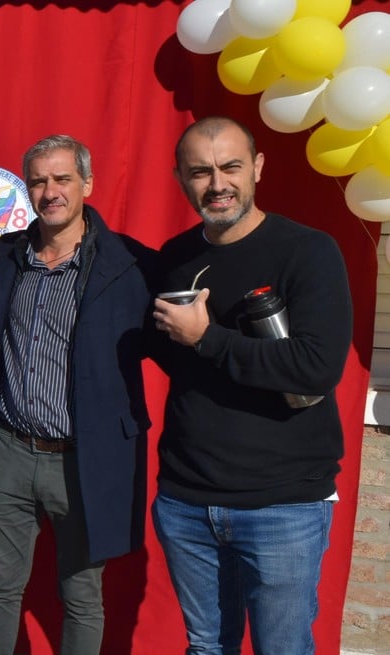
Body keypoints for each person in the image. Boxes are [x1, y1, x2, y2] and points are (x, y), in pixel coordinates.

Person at [151, 116, 352, 655]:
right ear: (180, 178)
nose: (217, 184)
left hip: (282, 505)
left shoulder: (308, 251)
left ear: (258, 168)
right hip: (186, 500)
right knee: (206, 647)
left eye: (231, 167)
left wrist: (207, 338)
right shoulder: (174, 258)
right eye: (200, 172)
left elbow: (316, 367)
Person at [0, 134, 154, 655]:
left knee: (82, 596)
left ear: (87, 184)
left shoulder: (128, 264)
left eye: (62, 178)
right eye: (39, 181)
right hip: (10, 451)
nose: (50, 191)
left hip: (82, 459)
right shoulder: (9, 254)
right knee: (1, 587)